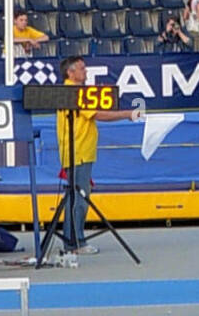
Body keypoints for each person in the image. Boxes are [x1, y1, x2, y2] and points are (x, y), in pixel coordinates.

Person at [56, 56, 142, 257]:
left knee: (74, 197)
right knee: (79, 198)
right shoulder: (75, 92)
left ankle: (73, 240)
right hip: (79, 152)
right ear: (71, 73)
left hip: (77, 151)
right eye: (82, 69)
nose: (86, 72)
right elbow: (97, 114)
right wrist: (127, 114)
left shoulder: (64, 91)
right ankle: (76, 242)